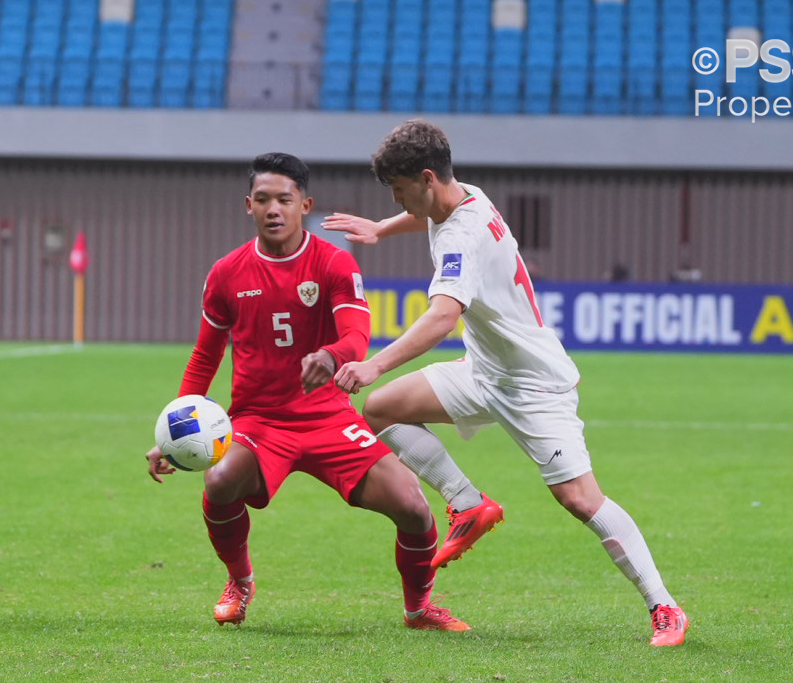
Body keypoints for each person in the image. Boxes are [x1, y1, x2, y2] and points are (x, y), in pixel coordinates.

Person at [323, 119, 688, 646]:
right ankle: (468, 503)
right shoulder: (463, 194)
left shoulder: (460, 235)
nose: (400, 200)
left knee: (582, 500)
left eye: (401, 191)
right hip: (483, 371)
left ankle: (665, 607)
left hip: (534, 384)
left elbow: (441, 319)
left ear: (427, 179)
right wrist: (383, 227)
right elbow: (425, 217)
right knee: (381, 410)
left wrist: (375, 363)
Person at [145, 152, 469, 631]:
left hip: (329, 418)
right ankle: (240, 580)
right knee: (218, 482)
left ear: (305, 204)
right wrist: (172, 431)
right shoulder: (226, 273)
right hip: (258, 422)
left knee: (413, 505)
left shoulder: (333, 262)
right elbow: (204, 356)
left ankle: (418, 608)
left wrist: (332, 356)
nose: (273, 209)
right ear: (248, 206)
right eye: (263, 200)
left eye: (284, 199)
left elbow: (358, 335)